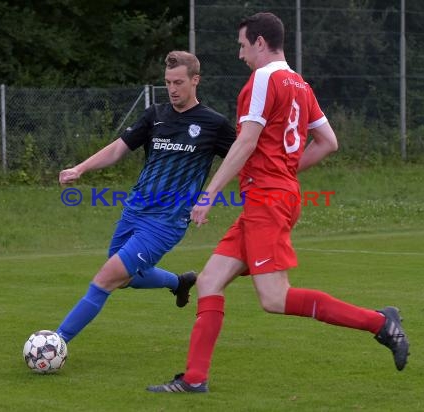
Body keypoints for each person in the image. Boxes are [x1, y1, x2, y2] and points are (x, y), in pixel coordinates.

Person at [147, 13, 410, 393]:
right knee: (209, 281)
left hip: (268, 201)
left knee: (274, 298)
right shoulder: (299, 83)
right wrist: (286, 171)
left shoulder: (264, 78)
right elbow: (328, 142)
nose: (240, 54)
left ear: (259, 42)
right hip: (271, 196)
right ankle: (194, 379)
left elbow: (246, 140)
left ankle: (381, 323)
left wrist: (209, 193)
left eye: (241, 45)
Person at [54, 51, 236, 344]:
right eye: (168, 82)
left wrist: (210, 196)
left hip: (166, 221)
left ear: (195, 80)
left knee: (106, 278)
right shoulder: (155, 116)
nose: (172, 89)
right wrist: (81, 168)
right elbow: (118, 149)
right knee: (125, 279)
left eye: (178, 82)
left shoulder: (213, 124)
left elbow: (241, 158)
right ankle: (178, 282)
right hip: (134, 211)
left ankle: (57, 340)